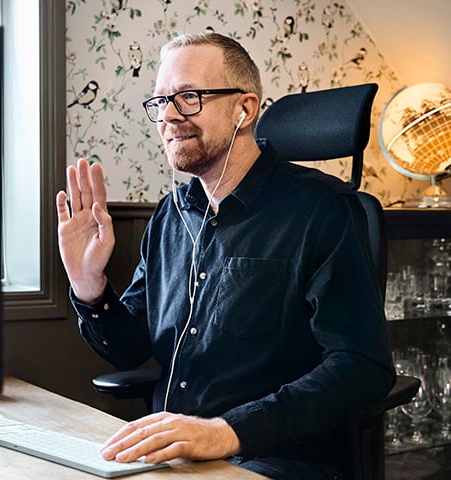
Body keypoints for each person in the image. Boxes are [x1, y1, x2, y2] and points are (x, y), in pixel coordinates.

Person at [56, 32, 395, 480]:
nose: (170, 116)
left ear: (245, 108)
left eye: (189, 97)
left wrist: (225, 431)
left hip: (274, 458)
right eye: (160, 102)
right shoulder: (170, 216)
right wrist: (88, 284)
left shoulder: (321, 210)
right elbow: (130, 349)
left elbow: (363, 367)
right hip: (169, 455)